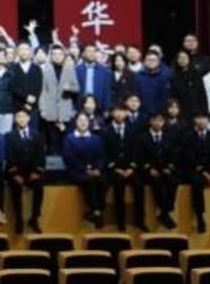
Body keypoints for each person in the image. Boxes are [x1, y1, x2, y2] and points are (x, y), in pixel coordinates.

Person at [181, 109, 210, 233]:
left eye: (204, 118)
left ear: (208, 120)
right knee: (197, 181)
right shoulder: (187, 136)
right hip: (193, 169)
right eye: (199, 118)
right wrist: (205, 174)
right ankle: (200, 216)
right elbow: (189, 158)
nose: (201, 121)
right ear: (194, 120)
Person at [102, 102, 143, 230]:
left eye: (122, 111)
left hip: (130, 168)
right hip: (114, 169)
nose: (119, 114)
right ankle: (121, 222)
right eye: (116, 111)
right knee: (118, 186)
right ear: (112, 113)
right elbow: (104, 153)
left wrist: (131, 168)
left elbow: (137, 151)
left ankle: (139, 220)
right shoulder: (105, 131)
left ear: (126, 113)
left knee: (139, 184)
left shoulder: (133, 130)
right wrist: (116, 168)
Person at [5, 108, 45, 234]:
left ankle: (34, 218)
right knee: (15, 186)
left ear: (28, 118)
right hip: (17, 172)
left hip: (32, 172)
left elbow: (41, 156)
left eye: (24, 117)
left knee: (39, 186)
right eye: (18, 117)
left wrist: (37, 172)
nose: (21, 119)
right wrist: (14, 174)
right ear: (15, 119)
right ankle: (19, 218)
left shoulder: (37, 135)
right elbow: (8, 157)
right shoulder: (9, 136)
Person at [63, 111, 105, 228]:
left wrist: (98, 168)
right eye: (80, 120)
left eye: (85, 120)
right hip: (77, 172)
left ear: (89, 123)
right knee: (90, 181)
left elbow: (101, 156)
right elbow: (69, 158)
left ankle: (96, 211)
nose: (83, 123)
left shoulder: (96, 138)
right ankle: (96, 211)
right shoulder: (69, 138)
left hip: (95, 171)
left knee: (103, 180)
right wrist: (85, 170)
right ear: (75, 122)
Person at [134, 51, 172, 120]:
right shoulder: (138, 77)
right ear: (144, 61)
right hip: (143, 114)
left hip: (161, 115)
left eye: (154, 60)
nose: (151, 62)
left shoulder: (166, 76)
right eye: (149, 60)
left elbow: (166, 96)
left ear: (159, 62)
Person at [170, 50, 207, 118]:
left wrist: (203, 112)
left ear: (189, 59)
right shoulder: (174, 76)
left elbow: (202, 94)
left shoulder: (196, 75)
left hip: (194, 112)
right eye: (180, 58)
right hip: (180, 112)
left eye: (184, 58)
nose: (182, 60)